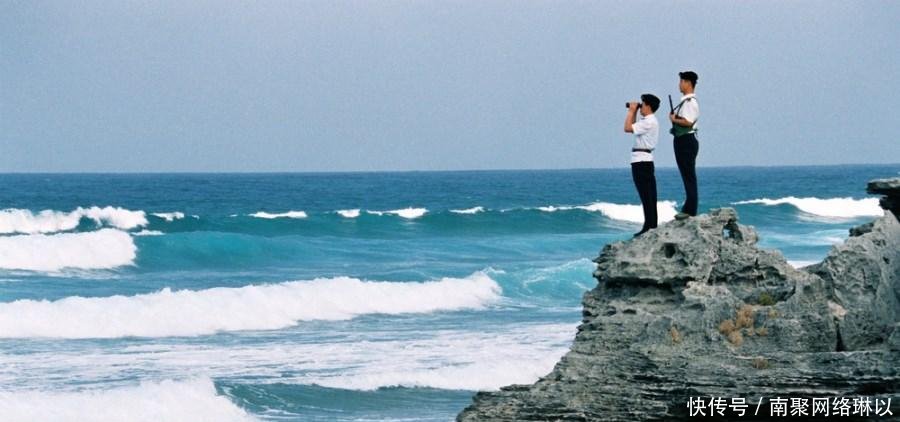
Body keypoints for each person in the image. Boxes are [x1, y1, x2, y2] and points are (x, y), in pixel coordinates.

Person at [624, 94, 661, 237]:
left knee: (646, 195)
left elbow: (627, 128)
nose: (641, 107)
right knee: (649, 194)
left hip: (641, 161)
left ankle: (649, 225)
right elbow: (632, 127)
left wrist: (631, 110)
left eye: (642, 104)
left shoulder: (648, 121)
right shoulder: (648, 121)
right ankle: (651, 224)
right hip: (644, 160)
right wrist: (633, 112)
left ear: (648, 106)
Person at [669, 71, 700, 219]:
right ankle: (688, 207)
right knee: (687, 175)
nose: (679, 84)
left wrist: (674, 120)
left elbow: (688, 122)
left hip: (686, 141)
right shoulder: (685, 102)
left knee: (688, 176)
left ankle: (690, 210)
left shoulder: (690, 102)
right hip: (683, 140)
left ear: (688, 83)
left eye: (681, 81)